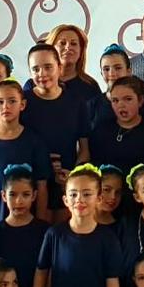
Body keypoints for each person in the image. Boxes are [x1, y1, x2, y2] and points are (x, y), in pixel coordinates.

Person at [21, 43, 91, 215]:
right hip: (30, 185)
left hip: (65, 185)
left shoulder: (77, 103)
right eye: (36, 69)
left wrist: (73, 175)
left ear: (59, 68)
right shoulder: (23, 103)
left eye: (48, 67)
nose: (42, 74)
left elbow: (85, 150)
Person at [0, 79, 50, 221]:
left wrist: (40, 224)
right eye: (0, 102)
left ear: (22, 104)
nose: (5, 106)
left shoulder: (35, 142)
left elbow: (42, 185)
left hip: (25, 222)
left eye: (12, 101)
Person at [0, 164, 51, 287]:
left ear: (34, 196)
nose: (19, 201)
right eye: (13, 194)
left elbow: (49, 273)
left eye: (25, 194)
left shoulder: (45, 231)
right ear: (4, 196)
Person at [39, 22, 107, 131]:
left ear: (81, 51)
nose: (68, 47)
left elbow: (98, 127)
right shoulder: (36, 84)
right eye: (62, 43)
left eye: (74, 43)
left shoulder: (90, 87)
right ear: (51, 49)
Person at [90, 75, 144, 175]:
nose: (121, 105)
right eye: (115, 100)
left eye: (128, 99)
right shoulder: (101, 130)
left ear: (140, 101)